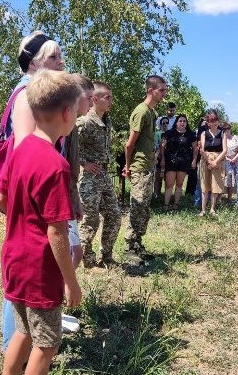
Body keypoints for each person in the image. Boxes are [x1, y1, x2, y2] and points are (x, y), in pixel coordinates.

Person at [0, 70, 81, 375]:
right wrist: (72, 284)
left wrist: (21, 220)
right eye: (78, 110)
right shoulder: (55, 164)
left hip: (13, 259)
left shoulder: (21, 147)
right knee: (46, 345)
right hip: (38, 269)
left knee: (23, 333)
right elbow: (58, 234)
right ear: (66, 113)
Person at [0, 31, 66, 353]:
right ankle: (16, 346)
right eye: (54, 57)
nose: (61, 62)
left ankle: (23, 341)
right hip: (32, 195)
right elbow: (27, 151)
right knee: (27, 269)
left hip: (34, 192)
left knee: (30, 268)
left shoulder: (37, 94)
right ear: (36, 63)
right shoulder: (27, 94)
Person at [77, 81, 122, 268]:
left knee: (114, 215)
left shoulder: (106, 119)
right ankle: (87, 261)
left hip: (103, 174)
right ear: (94, 99)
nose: (111, 100)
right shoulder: (85, 122)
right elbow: (70, 146)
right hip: (89, 179)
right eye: (107, 97)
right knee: (90, 219)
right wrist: (84, 163)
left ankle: (107, 256)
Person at [123, 75, 167, 258]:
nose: (164, 93)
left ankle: (137, 244)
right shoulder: (141, 111)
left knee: (144, 208)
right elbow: (129, 144)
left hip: (148, 166)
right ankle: (128, 246)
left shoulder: (152, 112)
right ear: (151, 90)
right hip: (139, 167)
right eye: (161, 90)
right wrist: (128, 167)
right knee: (137, 206)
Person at [64, 74, 94, 268]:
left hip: (69, 192)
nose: (92, 102)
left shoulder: (72, 124)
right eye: (89, 98)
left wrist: (76, 201)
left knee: (75, 252)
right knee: (72, 253)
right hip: (61, 194)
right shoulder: (64, 125)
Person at [161, 114, 197, 209]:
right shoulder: (169, 133)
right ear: (176, 123)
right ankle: (166, 205)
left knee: (180, 184)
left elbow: (195, 149)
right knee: (169, 184)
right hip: (171, 161)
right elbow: (162, 147)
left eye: (184, 121)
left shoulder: (191, 134)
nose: (182, 123)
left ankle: (176, 204)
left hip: (184, 161)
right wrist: (163, 159)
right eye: (180, 121)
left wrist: (194, 160)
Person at [199, 109, 228, 216]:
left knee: (215, 185)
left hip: (218, 160)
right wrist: (209, 162)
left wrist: (215, 162)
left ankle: (212, 209)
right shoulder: (204, 133)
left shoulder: (222, 133)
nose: (214, 122)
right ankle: (203, 210)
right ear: (207, 122)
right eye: (211, 120)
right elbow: (201, 150)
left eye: (215, 119)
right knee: (205, 185)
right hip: (205, 160)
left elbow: (225, 150)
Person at [224, 123, 238, 202]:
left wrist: (235, 158)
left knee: (233, 180)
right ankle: (221, 197)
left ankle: (229, 198)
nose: (227, 131)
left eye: (228, 129)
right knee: (225, 179)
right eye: (225, 130)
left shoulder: (235, 138)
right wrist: (228, 159)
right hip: (225, 161)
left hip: (235, 161)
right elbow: (221, 152)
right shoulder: (222, 139)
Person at [153, 116, 168, 199]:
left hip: (168, 159)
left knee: (167, 178)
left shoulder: (170, 133)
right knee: (158, 178)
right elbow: (155, 145)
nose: (165, 124)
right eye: (163, 123)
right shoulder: (157, 133)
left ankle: (166, 196)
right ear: (161, 124)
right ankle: (156, 195)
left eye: (167, 123)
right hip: (159, 158)